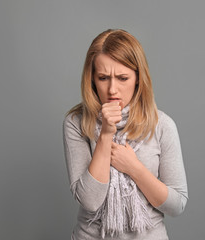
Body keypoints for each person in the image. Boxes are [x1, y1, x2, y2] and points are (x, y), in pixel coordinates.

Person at [63, 29, 188, 240]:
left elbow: (177, 205)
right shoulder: (76, 123)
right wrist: (104, 135)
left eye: (122, 78)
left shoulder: (162, 125)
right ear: (92, 79)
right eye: (103, 78)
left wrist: (133, 167)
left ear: (138, 78)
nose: (113, 89)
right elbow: (90, 201)